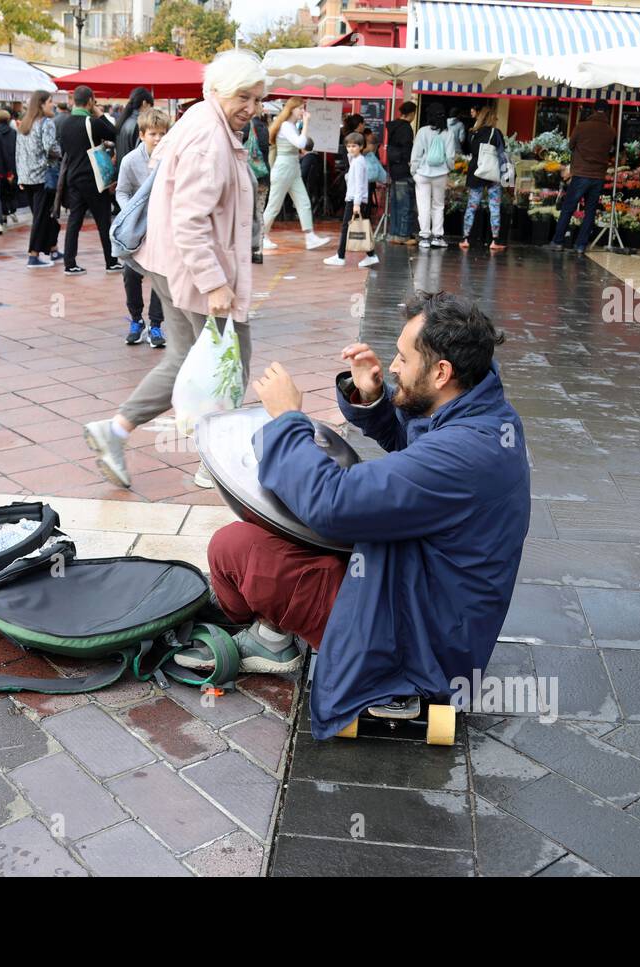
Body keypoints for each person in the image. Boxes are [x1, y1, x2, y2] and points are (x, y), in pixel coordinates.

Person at [178, 292, 529, 736]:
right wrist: (376, 398)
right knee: (274, 533)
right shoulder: (480, 409)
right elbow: (420, 449)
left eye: (403, 358)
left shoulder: (465, 453)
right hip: (427, 599)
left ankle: (270, 638)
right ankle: (269, 627)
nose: (395, 366)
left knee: (235, 548)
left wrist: (287, 418)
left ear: (442, 372)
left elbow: (332, 503)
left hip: (418, 643)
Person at [82, 49, 266, 490]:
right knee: (230, 361)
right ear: (218, 90)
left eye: (258, 99)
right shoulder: (209, 137)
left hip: (170, 265)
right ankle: (216, 459)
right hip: (196, 270)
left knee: (187, 358)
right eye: (244, 96)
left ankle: (117, 430)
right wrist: (216, 283)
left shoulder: (201, 120)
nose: (253, 109)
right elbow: (190, 219)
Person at [115, 108, 168, 349]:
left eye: (162, 134)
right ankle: (136, 320)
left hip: (161, 226)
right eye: (153, 134)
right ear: (142, 134)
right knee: (131, 275)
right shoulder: (130, 161)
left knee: (160, 275)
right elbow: (121, 191)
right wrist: (130, 212)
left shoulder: (170, 159)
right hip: (135, 228)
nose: (158, 139)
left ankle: (156, 324)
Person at [58, 85, 120, 275]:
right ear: (90, 101)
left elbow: (63, 150)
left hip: (73, 178)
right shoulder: (91, 122)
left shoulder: (64, 123)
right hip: (93, 178)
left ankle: (70, 263)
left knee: (74, 221)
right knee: (103, 220)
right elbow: (113, 133)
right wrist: (99, 114)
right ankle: (111, 262)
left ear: (74, 101)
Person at [260, 97, 329, 251]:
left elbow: (299, 145)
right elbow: (301, 144)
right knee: (274, 206)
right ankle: (261, 236)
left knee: (303, 203)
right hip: (285, 168)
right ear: (292, 109)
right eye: (301, 108)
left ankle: (310, 237)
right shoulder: (286, 126)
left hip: (291, 167)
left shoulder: (289, 125)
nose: (303, 112)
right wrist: (306, 124)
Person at [551, 98, 617, 255]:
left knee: (568, 208)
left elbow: (570, 145)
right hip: (598, 176)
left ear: (594, 110)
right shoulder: (611, 131)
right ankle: (581, 245)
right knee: (590, 211)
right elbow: (612, 150)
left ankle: (558, 241)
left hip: (581, 174)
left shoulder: (581, 127)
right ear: (607, 112)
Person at [16, 90, 63, 268]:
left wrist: (20, 175)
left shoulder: (25, 124)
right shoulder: (46, 123)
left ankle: (53, 249)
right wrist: (61, 152)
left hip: (27, 177)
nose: (54, 104)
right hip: (43, 176)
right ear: (42, 104)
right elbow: (50, 147)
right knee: (42, 217)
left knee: (43, 216)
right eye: (51, 101)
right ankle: (33, 255)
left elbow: (18, 152)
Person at [324, 131, 379, 270]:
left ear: (361, 146)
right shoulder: (356, 159)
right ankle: (371, 255)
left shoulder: (359, 162)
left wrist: (356, 204)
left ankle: (340, 256)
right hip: (357, 199)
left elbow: (360, 184)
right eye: (348, 146)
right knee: (363, 227)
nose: (351, 149)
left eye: (354, 146)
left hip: (355, 199)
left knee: (346, 227)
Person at [410, 102, 455, 249]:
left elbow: (416, 154)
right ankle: (437, 236)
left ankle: (424, 237)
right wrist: (449, 168)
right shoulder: (448, 133)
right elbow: (450, 157)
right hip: (440, 174)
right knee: (438, 205)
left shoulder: (422, 131)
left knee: (423, 206)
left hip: (422, 173)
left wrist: (414, 171)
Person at [460, 102, 504, 252]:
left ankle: (465, 238)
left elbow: (467, 150)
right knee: (494, 206)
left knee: (472, 205)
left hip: (476, 172)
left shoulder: (472, 133)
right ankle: (494, 240)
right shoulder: (496, 133)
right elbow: (503, 152)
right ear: (492, 118)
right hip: (492, 173)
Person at [384, 101, 418, 245]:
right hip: (404, 170)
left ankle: (394, 234)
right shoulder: (406, 129)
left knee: (396, 204)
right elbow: (407, 151)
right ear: (411, 114)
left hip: (393, 170)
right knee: (405, 204)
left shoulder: (392, 127)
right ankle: (403, 235)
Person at [245, 109, 271, 264]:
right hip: (263, 176)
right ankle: (258, 250)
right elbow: (266, 151)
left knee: (244, 213)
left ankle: (246, 249)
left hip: (246, 177)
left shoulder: (244, 126)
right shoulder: (263, 127)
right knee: (258, 213)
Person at [114, 87, 154, 170]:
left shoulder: (123, 121)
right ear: (144, 103)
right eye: (150, 106)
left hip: (122, 172)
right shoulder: (140, 124)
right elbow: (141, 155)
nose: (151, 110)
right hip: (134, 174)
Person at [0, 110, 19, 226]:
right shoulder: (13, 132)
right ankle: (12, 210)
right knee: (12, 189)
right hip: (12, 165)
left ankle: (3, 214)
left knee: (0, 191)